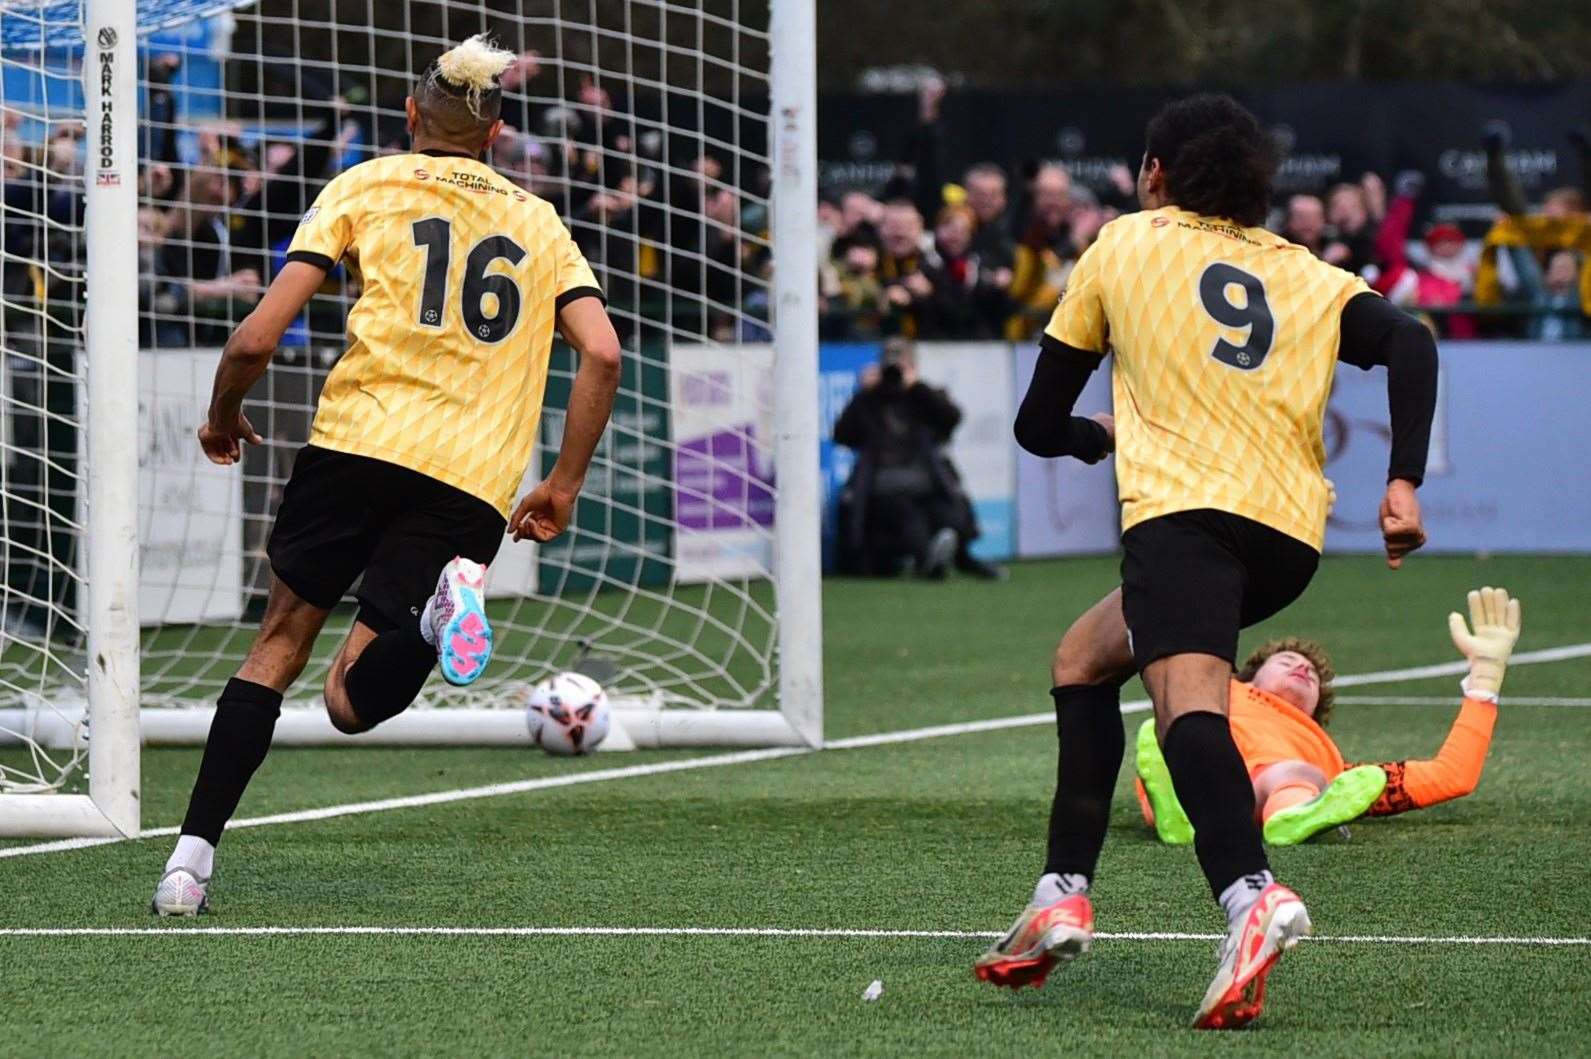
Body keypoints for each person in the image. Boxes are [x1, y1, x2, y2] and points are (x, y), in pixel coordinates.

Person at [974, 94, 1438, 1030]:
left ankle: (1249, 896)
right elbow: (1413, 342)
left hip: (1186, 522)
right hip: (1286, 539)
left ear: (1154, 174)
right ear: (1259, 190)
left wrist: (1089, 437)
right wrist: (1402, 483)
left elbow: (1033, 424)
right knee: (1082, 661)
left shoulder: (1124, 243)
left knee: (1187, 707)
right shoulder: (1307, 272)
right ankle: (1060, 889)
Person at [152, 35, 622, 916]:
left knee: (280, 646)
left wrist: (221, 414)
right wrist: (561, 484)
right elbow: (601, 352)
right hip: (469, 477)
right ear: (496, 135)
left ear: (411, 118)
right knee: (349, 703)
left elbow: (255, 336)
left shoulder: (363, 185)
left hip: (355, 444)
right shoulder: (539, 221)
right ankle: (438, 620)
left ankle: (187, 865)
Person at [1135, 588, 1523, 847]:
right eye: (1287, 662)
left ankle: (1290, 814)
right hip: (1191, 766)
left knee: (1302, 776)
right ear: (1250, 675)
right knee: (1175, 736)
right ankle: (1181, 807)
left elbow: (1451, 775)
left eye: (1312, 676)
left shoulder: (1331, 765)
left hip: (1261, 797)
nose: (1303, 669)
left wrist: (1485, 677)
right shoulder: (1219, 684)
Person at [832, 339, 999, 580]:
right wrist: (862, 393)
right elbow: (842, 435)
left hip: (928, 481)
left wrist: (916, 386)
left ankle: (961, 557)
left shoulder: (924, 395)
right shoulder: (869, 400)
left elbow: (952, 418)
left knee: (950, 515)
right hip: (886, 486)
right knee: (910, 520)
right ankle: (928, 563)